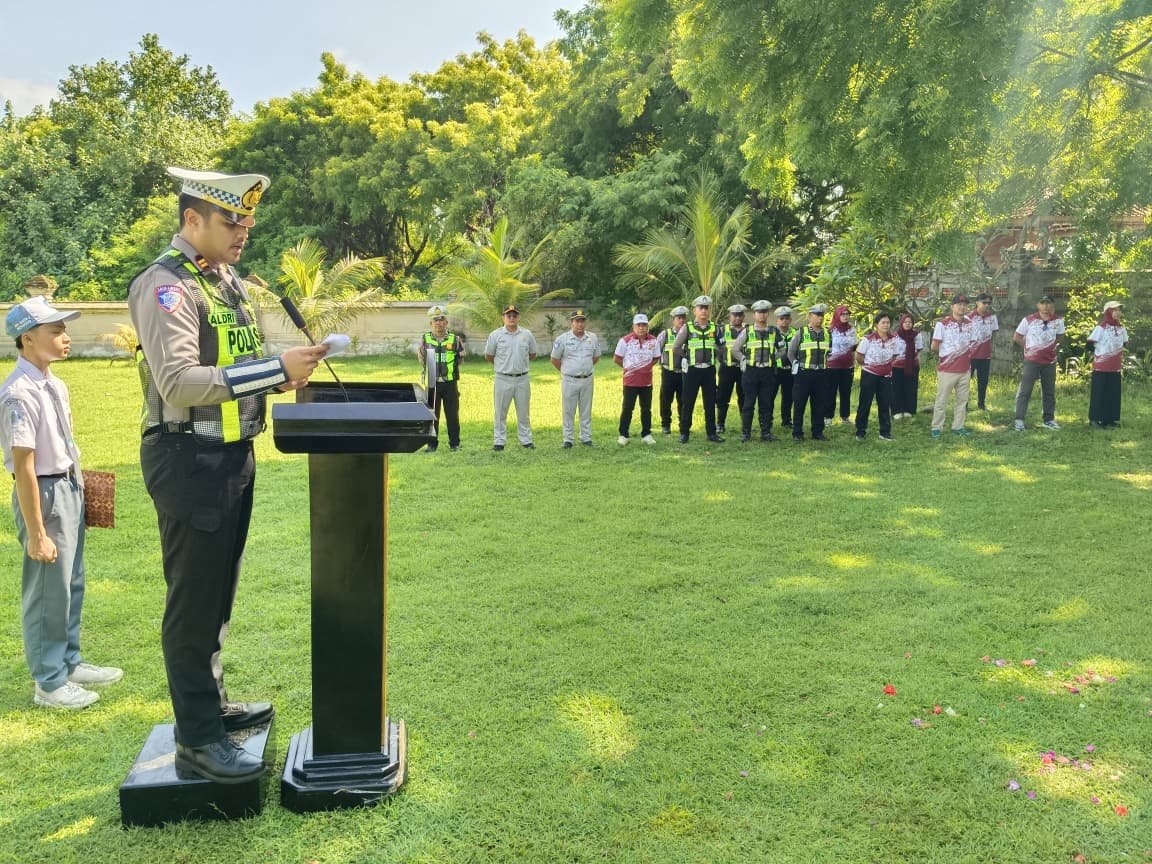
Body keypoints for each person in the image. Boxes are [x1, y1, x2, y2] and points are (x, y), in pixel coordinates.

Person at [129, 167, 328, 783]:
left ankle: (212, 707)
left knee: (218, 594)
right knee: (193, 602)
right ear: (193, 219)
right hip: (188, 460)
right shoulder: (166, 286)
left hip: (230, 456)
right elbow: (179, 382)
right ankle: (196, 738)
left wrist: (283, 372)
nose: (243, 231)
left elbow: (236, 359)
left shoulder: (223, 282)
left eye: (246, 220)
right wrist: (275, 369)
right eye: (230, 220)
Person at [1, 298, 123, 711]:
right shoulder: (18, 394)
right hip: (45, 493)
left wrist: (86, 491)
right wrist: (37, 532)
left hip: (69, 487)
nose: (65, 337)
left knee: (71, 583)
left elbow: (66, 445)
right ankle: (49, 682)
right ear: (28, 338)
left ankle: (69, 662)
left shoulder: (54, 384)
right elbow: (25, 467)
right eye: (56, 331)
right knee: (47, 590)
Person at [485, 304, 538, 450]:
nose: (512, 318)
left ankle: (526, 440)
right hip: (503, 378)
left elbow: (533, 354)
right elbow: (489, 355)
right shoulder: (496, 335)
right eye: (509, 315)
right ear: (503, 318)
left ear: (519, 318)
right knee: (500, 412)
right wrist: (503, 367)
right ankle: (499, 441)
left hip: (522, 378)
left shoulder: (526, 334)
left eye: (514, 315)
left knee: (523, 412)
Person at [673, 296, 724, 443]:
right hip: (692, 370)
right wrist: (686, 357)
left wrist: (718, 354)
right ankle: (684, 433)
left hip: (709, 370)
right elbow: (676, 347)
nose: (703, 310)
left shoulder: (715, 328)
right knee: (688, 402)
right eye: (700, 308)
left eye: (706, 307)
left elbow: (722, 347)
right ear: (695, 310)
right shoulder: (687, 327)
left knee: (710, 402)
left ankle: (711, 433)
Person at [731, 300, 782, 442]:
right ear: (754, 314)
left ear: (768, 314)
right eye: (759, 312)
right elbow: (735, 349)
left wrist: (772, 358)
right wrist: (742, 359)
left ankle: (765, 433)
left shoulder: (774, 331)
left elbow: (782, 349)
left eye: (765, 312)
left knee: (766, 403)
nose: (762, 315)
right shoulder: (747, 331)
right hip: (751, 371)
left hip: (768, 371)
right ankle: (746, 433)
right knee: (748, 403)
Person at [1013, 295, 1065, 431]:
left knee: (1049, 391)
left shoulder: (1058, 321)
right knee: (1025, 391)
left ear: (1052, 305)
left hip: (1050, 361)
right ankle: (1019, 420)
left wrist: (1048, 348)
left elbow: (1059, 337)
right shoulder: (1029, 320)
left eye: (1048, 304)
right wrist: (1030, 348)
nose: (1046, 306)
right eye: (1043, 303)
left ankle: (1049, 419)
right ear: (1038, 305)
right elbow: (1017, 337)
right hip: (1032, 361)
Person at [550, 309, 602, 447]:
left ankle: (586, 437)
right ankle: (568, 439)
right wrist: (567, 371)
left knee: (586, 409)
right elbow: (555, 359)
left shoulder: (592, 338)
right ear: (571, 323)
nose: (580, 324)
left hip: (587, 379)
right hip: (570, 380)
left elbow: (596, 357)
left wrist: (584, 369)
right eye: (577, 321)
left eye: (582, 321)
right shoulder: (562, 339)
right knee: (568, 410)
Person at [417, 305, 464, 452]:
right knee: (432, 415)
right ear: (431, 323)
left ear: (446, 322)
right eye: (435, 320)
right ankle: (431, 444)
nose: (438, 323)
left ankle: (454, 444)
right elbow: (421, 358)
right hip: (432, 384)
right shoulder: (425, 339)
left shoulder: (455, 339)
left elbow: (460, 358)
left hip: (450, 383)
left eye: (441, 319)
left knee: (452, 416)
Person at [930, 294, 975, 438]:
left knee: (962, 400)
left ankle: (958, 426)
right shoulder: (942, 324)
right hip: (947, 370)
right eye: (959, 304)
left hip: (965, 369)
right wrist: (949, 356)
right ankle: (936, 427)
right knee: (942, 400)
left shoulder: (969, 323)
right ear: (952, 307)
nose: (962, 307)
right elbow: (934, 346)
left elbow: (972, 343)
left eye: (964, 304)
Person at [614, 314, 660, 444]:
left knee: (646, 409)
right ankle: (623, 435)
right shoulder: (625, 340)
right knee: (627, 408)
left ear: (647, 326)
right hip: (630, 382)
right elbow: (617, 358)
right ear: (633, 326)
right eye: (638, 325)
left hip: (646, 382)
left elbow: (656, 357)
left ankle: (646, 434)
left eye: (644, 325)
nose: (641, 328)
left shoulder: (653, 341)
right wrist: (629, 368)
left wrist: (646, 367)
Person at [787, 304, 831, 441]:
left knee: (819, 404)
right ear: (810, 317)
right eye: (817, 315)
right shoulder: (801, 332)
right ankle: (797, 433)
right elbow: (791, 352)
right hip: (804, 374)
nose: (820, 318)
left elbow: (829, 352)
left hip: (821, 374)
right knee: (800, 404)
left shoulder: (827, 333)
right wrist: (795, 365)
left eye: (821, 315)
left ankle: (817, 432)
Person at [854, 311, 898, 441]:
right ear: (876, 325)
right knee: (865, 403)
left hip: (886, 376)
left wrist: (885, 366)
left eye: (888, 322)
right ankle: (860, 431)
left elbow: (894, 355)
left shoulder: (893, 339)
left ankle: (885, 432)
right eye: (883, 322)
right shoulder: (868, 340)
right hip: (870, 375)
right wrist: (870, 366)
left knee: (884, 403)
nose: (886, 325)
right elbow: (859, 357)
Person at [1087, 300, 1128, 428]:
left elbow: (1125, 343)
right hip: (1101, 367)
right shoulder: (1100, 328)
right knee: (1099, 393)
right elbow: (1089, 344)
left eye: (1119, 310)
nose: (1117, 312)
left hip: (1115, 367)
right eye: (1114, 310)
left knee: (1113, 393)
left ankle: (1111, 419)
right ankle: (1095, 419)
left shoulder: (1121, 328)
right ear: (1108, 312)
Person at [715, 304, 746, 434]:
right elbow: (715, 347)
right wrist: (721, 360)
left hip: (743, 369)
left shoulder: (748, 330)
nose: (737, 318)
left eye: (740, 315)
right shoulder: (721, 330)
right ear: (730, 316)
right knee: (723, 397)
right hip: (726, 368)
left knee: (744, 397)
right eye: (735, 315)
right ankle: (720, 424)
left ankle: (745, 424)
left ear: (743, 316)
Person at [657, 306, 688, 434]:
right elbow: (656, 350)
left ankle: (683, 424)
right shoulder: (666, 334)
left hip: (683, 373)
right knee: (665, 400)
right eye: (678, 318)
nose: (681, 320)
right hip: (668, 372)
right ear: (673, 320)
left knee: (683, 400)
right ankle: (665, 425)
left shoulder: (689, 334)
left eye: (683, 318)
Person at [825, 304, 858, 424]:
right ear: (837, 315)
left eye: (847, 314)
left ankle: (845, 416)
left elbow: (854, 347)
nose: (845, 316)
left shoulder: (852, 329)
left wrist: (853, 363)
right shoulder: (830, 330)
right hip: (832, 366)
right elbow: (826, 349)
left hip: (847, 366)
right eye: (842, 314)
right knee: (830, 391)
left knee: (846, 391)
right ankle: (828, 417)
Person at [967, 292, 999, 410]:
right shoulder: (969, 317)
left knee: (983, 381)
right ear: (977, 302)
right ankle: (964, 405)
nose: (986, 305)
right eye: (984, 302)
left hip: (985, 355)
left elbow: (994, 333)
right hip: (970, 355)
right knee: (965, 381)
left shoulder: (992, 317)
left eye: (989, 303)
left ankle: (981, 404)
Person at [892, 313, 924, 419]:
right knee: (897, 388)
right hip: (897, 366)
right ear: (901, 323)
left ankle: (909, 410)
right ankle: (897, 411)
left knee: (911, 388)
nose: (907, 324)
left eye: (910, 322)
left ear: (913, 323)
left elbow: (919, 349)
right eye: (905, 322)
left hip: (912, 366)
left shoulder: (917, 334)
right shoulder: (895, 335)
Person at [773, 307, 797, 428]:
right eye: (781, 318)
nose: (784, 321)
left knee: (788, 397)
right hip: (775, 370)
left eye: (787, 318)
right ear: (777, 320)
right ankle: (767, 421)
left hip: (790, 370)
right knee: (769, 396)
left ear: (790, 320)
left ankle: (786, 421)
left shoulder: (796, 333)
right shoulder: (772, 333)